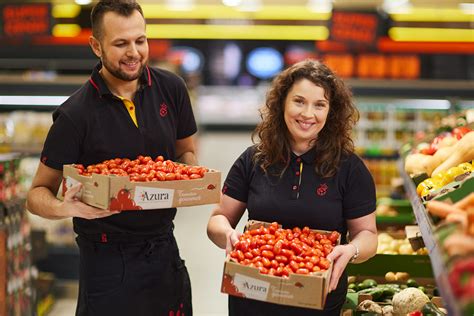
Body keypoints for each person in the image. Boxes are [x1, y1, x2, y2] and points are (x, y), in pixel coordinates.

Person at [26, 1, 196, 315]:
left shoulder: (172, 89)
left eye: (140, 40)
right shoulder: (75, 115)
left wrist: (186, 178)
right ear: (96, 46)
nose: (134, 52)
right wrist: (65, 207)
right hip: (106, 259)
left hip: (163, 250)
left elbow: (185, 150)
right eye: (120, 43)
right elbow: (37, 194)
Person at [207, 59, 378, 315]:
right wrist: (229, 236)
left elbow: (368, 235)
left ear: (331, 111)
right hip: (253, 295)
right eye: (299, 101)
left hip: (318, 301)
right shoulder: (253, 160)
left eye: (319, 105)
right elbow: (218, 219)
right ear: (282, 104)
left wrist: (351, 249)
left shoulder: (350, 169)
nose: (308, 114)